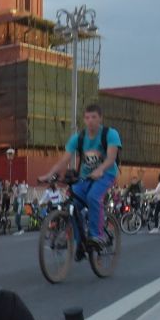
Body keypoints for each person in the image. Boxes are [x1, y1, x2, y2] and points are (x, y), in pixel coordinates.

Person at [38, 104, 122, 245]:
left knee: (93, 197)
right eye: (87, 117)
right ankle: (79, 242)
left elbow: (111, 158)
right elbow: (64, 160)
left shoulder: (110, 134)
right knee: (72, 205)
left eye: (94, 117)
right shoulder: (79, 138)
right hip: (85, 178)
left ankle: (97, 235)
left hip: (106, 174)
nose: (90, 121)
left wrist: (100, 170)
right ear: (84, 120)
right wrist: (49, 174)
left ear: (100, 118)